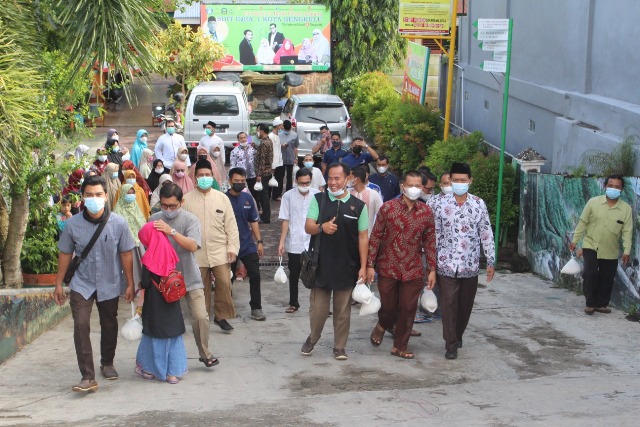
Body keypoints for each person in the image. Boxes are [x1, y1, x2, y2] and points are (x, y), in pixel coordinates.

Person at [53, 175, 136, 393]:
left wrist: (130, 283)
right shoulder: (72, 224)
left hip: (110, 281)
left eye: (98, 194)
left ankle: (107, 362)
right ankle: (87, 376)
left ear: (106, 196)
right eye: (89, 195)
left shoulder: (119, 223)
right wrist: (58, 283)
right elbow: (65, 254)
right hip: (83, 282)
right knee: (81, 324)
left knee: (109, 323)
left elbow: (126, 253)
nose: (94, 199)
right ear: (82, 198)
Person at [301, 163, 373, 360]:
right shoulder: (319, 200)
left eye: (337, 178)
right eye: (329, 178)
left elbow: (363, 237)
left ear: (347, 178)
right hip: (321, 266)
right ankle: (313, 338)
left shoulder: (359, 206)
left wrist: (364, 266)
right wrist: (322, 227)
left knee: (343, 312)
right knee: (318, 311)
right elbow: (308, 227)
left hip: (347, 267)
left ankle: (339, 347)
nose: (333, 183)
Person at [367, 171, 437, 360]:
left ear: (422, 188)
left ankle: (400, 346)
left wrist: (432, 269)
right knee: (389, 307)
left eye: (418, 186)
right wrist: (370, 265)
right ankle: (382, 325)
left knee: (408, 308)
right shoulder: (388, 208)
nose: (414, 189)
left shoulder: (426, 212)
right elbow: (375, 237)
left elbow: (430, 241)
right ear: (402, 186)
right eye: (411, 185)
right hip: (388, 266)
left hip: (413, 268)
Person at [149, 183, 219, 369]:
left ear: (182, 202)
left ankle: (205, 353)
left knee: (200, 317)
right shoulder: (154, 219)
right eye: (164, 206)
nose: (168, 210)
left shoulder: (191, 220)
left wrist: (171, 232)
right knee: (166, 323)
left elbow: (192, 246)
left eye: (173, 206)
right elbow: (147, 248)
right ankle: (165, 360)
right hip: (164, 281)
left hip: (189, 277)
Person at [433, 162, 495, 360]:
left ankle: (458, 334)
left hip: (470, 264)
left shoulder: (478, 204)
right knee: (449, 304)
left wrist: (491, 260)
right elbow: (431, 233)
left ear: (470, 181)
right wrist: (429, 263)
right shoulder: (437, 203)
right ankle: (450, 344)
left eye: (463, 180)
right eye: (456, 180)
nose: (459, 183)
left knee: (465, 305)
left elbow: (486, 232)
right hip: (445, 264)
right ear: (450, 181)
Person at [183, 161, 240, 332]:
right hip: (196, 253)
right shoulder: (186, 200)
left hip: (220, 251)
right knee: (201, 288)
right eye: (201, 175)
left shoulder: (222, 198)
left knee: (224, 283)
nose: (204, 178)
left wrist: (232, 248)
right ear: (195, 178)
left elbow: (231, 225)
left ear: (213, 176)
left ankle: (221, 316)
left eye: (207, 175)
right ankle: (203, 318)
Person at [569, 174, 632, 315]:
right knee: (589, 272)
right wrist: (575, 240)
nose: (613, 189)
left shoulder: (626, 209)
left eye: (617, 187)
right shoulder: (593, 202)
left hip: (611, 248)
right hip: (591, 244)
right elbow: (583, 222)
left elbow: (627, 231)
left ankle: (601, 304)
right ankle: (590, 304)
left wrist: (626, 251)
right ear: (605, 186)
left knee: (607, 276)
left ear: (621, 189)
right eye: (610, 186)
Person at [135, 222, 188, 383]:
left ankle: (150, 370)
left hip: (154, 305)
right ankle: (173, 373)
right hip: (171, 303)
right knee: (172, 336)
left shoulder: (149, 257)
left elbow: (145, 282)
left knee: (153, 335)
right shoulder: (169, 252)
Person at [227, 168, 266, 321]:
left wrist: (260, 242)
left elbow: (254, 222)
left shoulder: (248, 199)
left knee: (255, 275)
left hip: (247, 245)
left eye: (242, 181)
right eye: (236, 181)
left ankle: (256, 308)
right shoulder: (223, 199)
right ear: (230, 181)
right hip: (229, 246)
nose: (239, 184)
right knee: (227, 278)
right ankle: (227, 307)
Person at [278, 168, 320, 313]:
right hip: (294, 241)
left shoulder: (318, 195)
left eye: (307, 182)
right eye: (301, 183)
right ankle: (293, 302)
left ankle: (319, 305)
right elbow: (285, 219)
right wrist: (282, 242)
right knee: (294, 273)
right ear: (296, 181)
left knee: (317, 273)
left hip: (313, 241)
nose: (304, 185)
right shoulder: (288, 196)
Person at [113, 183, 146, 287]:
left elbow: (142, 224)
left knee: (141, 266)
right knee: (128, 267)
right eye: (128, 193)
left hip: (139, 243)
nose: (131, 195)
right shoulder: (117, 211)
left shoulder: (136, 207)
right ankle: (129, 286)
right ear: (122, 194)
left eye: (132, 193)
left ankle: (141, 285)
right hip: (125, 245)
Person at [349, 165, 383, 237]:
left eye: (350, 177)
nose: (347, 180)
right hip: (349, 236)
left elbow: (381, 215)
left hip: (368, 235)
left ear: (357, 179)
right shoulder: (347, 194)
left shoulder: (373, 194)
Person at [254, 123, 274, 223]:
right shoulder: (268, 141)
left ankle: (266, 217)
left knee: (263, 196)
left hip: (263, 173)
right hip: (267, 171)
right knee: (264, 194)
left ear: (261, 131)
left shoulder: (264, 143)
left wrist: (259, 175)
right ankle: (265, 214)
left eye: (258, 130)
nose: (257, 132)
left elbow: (262, 160)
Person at [276, 120, 299, 199]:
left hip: (290, 158)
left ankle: (288, 192)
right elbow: (276, 146)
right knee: (280, 176)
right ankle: (278, 192)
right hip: (281, 158)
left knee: (289, 177)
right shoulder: (279, 134)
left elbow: (296, 147)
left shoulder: (295, 135)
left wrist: (296, 158)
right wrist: (281, 146)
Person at [270, 118, 283, 200]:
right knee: (271, 179)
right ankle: (271, 195)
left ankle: (276, 195)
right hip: (274, 163)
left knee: (279, 179)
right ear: (278, 126)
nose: (282, 127)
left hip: (279, 162)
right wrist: (273, 164)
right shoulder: (271, 136)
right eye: (281, 125)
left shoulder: (278, 136)